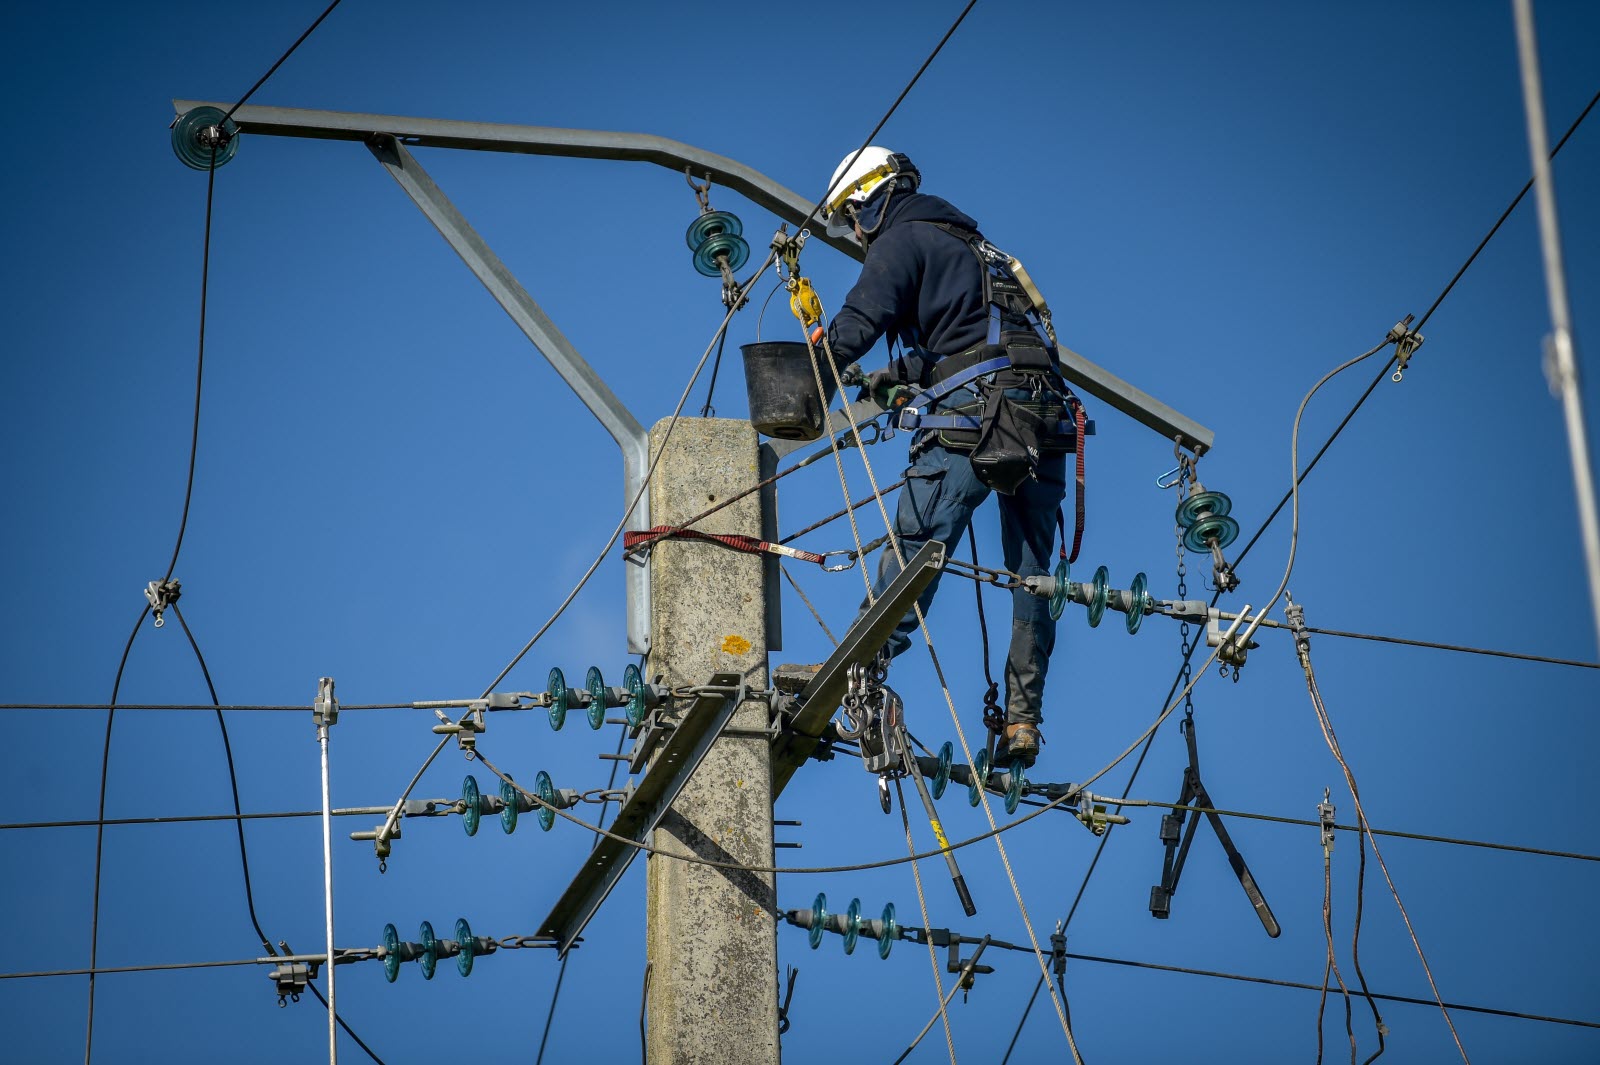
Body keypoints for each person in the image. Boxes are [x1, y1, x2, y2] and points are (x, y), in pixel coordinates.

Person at [809, 146, 1081, 769]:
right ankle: (1022, 718)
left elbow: (858, 320)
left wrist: (808, 375)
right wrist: (894, 376)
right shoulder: (978, 249)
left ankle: (861, 672)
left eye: (852, 218)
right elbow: (970, 337)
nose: (854, 233)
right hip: (1044, 416)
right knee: (1031, 576)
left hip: (977, 417)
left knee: (917, 545)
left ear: (868, 201)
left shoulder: (900, 241)